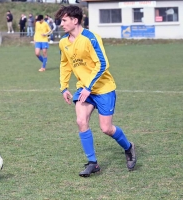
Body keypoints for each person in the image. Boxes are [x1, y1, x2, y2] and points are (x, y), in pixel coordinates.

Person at [55, 5, 137, 177]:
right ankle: (93, 163)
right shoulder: (63, 42)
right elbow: (65, 64)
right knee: (81, 121)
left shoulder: (91, 38)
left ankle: (129, 147)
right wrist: (64, 87)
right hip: (84, 89)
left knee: (106, 128)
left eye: (64, 20)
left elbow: (102, 64)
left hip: (103, 87)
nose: (61, 23)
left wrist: (88, 87)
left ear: (74, 20)